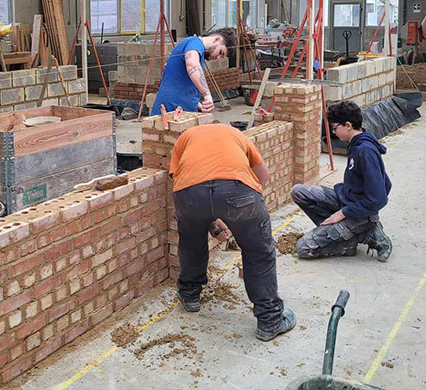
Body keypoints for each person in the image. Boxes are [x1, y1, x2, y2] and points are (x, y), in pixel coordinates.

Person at [169, 123, 296, 342]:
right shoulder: (237, 135)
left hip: (189, 194)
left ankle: (189, 296)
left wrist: (211, 220)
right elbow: (263, 176)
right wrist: (245, 209)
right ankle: (270, 321)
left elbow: (185, 181)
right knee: (258, 251)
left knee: (191, 243)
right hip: (237, 188)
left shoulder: (186, 137)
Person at [291, 101, 393, 261]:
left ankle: (366, 235)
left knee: (304, 248)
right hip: (347, 200)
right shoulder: (356, 145)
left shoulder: (365, 151)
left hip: (361, 214)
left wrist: (343, 213)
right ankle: (344, 234)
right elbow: (386, 182)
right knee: (298, 191)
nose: (333, 132)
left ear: (348, 125)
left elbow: (378, 198)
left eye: (334, 127)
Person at [150, 28, 238, 116]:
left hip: (180, 112)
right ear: (217, 39)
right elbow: (192, 64)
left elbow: (182, 82)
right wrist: (206, 94)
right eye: (220, 52)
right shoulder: (195, 43)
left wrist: (196, 103)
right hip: (169, 113)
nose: (218, 57)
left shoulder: (197, 50)